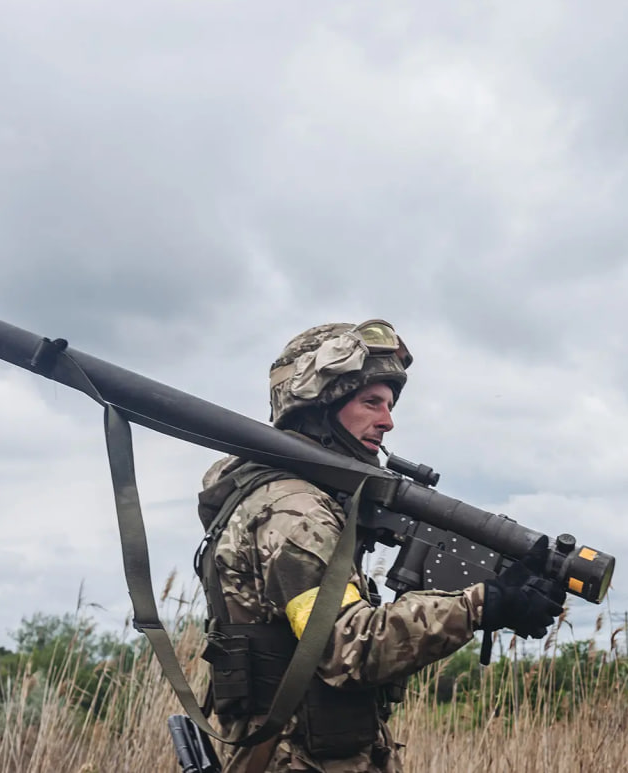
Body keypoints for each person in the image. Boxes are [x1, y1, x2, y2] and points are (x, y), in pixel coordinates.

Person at [195, 320, 566, 772]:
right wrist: (480, 606)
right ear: (318, 406)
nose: (387, 421)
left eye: (388, 405)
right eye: (371, 402)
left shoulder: (289, 499)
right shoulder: (294, 511)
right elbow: (345, 647)